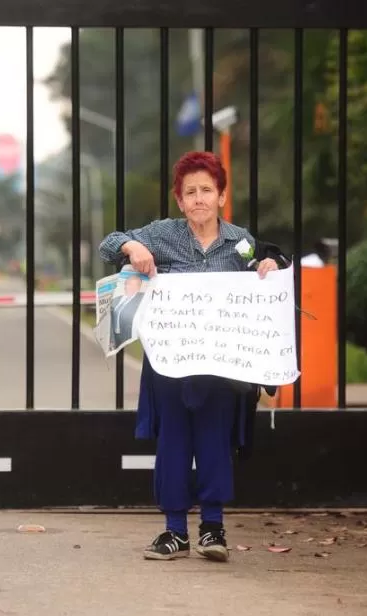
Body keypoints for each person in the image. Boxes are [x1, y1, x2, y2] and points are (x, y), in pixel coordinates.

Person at [98, 151, 280, 562]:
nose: (199, 199)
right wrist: (132, 246)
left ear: (221, 196)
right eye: (190, 192)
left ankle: (213, 529)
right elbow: (108, 245)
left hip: (221, 367)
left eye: (207, 190)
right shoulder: (161, 235)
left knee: (216, 444)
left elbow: (269, 270)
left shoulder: (242, 243)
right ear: (180, 200)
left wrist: (267, 266)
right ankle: (174, 531)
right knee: (174, 445)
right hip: (170, 365)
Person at [109, 274, 145, 350]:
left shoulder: (141, 299)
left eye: (130, 284)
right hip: (114, 335)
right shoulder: (117, 299)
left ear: (138, 287)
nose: (126, 286)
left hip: (128, 336)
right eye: (126, 284)